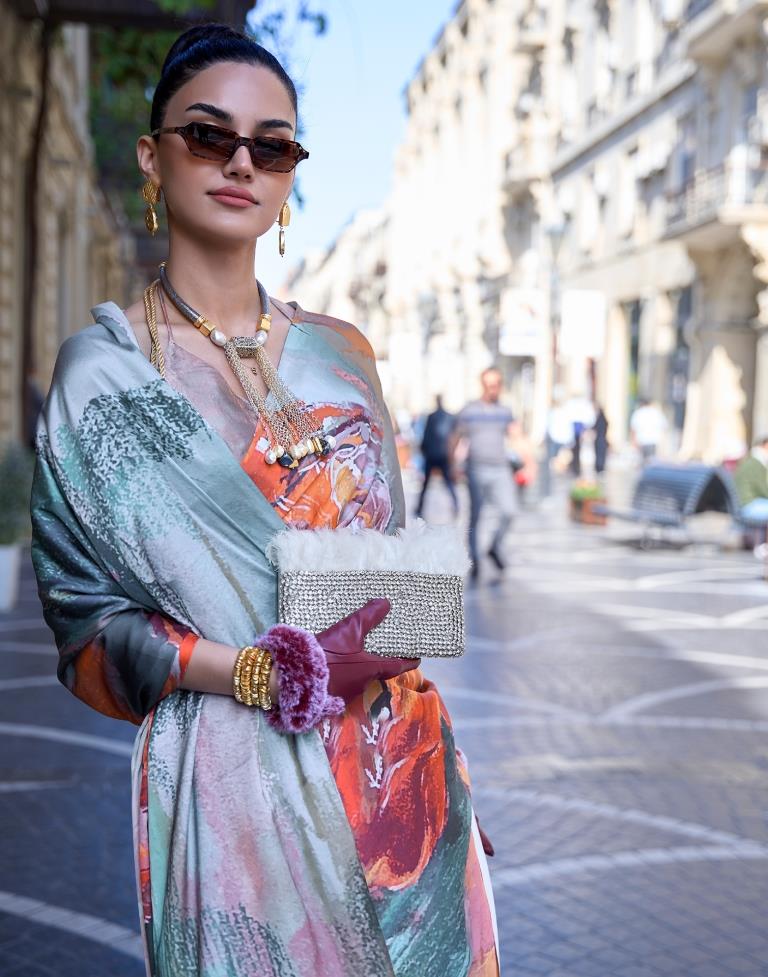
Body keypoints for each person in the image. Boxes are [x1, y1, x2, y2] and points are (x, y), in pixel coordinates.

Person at [28, 25, 499, 977]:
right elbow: (84, 625)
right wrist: (255, 668)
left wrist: (450, 788)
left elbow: (390, 572)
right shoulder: (101, 377)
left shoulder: (345, 352)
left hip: (398, 782)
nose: (242, 161)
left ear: (289, 175)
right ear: (152, 157)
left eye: (272, 144)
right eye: (209, 136)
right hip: (232, 787)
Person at [452, 366, 518, 580]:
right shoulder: (469, 410)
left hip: (500, 468)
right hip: (476, 468)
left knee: (509, 511)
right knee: (476, 515)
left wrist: (530, 461)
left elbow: (517, 436)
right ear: (482, 385)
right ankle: (474, 559)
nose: (493, 389)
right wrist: (452, 463)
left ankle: (494, 546)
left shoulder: (505, 412)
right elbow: (456, 437)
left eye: (497, 384)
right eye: (489, 384)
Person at [415, 394, 459, 518]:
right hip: (442, 454)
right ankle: (456, 505)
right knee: (447, 483)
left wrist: (423, 449)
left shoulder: (432, 417)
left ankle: (419, 508)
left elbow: (427, 435)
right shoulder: (449, 417)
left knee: (427, 484)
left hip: (433, 455)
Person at [734, 435, 768, 526]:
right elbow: (763, 490)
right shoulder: (756, 463)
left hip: (745, 503)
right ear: (766, 445)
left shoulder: (751, 460)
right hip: (748, 505)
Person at [629, 397, 668, 464]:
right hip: (653, 440)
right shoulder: (656, 412)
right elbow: (663, 426)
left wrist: (633, 441)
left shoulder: (638, 413)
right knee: (651, 461)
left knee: (643, 461)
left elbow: (633, 429)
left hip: (642, 440)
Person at [594, 404, 609, 475]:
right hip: (601, 439)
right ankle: (599, 468)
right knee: (600, 454)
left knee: (600, 454)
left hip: (600, 439)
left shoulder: (600, 420)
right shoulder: (603, 420)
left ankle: (600, 468)